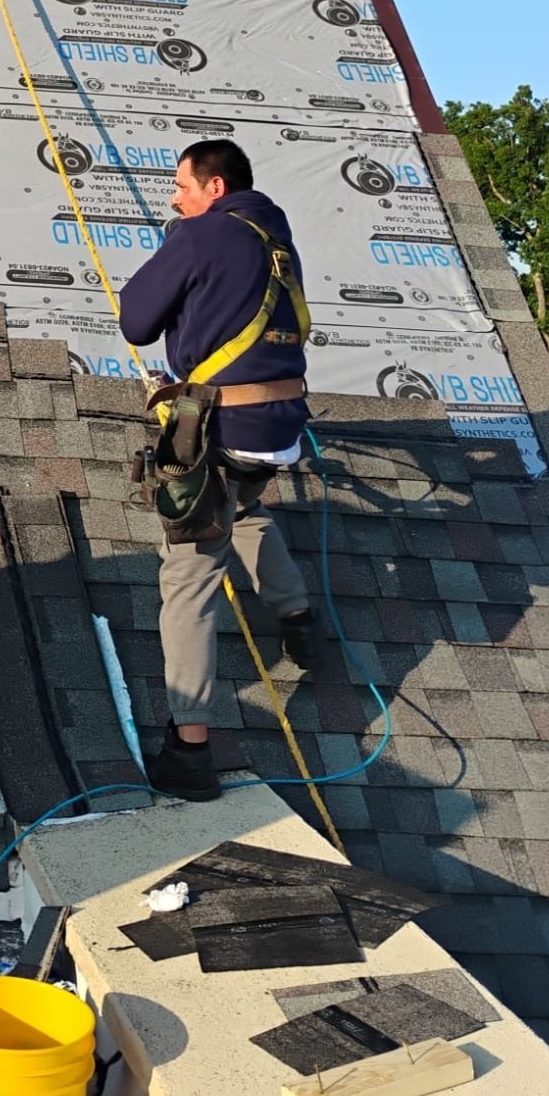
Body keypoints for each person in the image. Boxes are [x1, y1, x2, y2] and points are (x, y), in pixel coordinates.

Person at [119, 140, 321, 802]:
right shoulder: (275, 233)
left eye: (180, 185)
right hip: (279, 426)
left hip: (223, 427)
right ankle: (298, 620)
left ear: (212, 187)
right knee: (243, 507)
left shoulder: (201, 234)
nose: (172, 197)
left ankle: (189, 749)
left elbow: (137, 320)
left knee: (189, 576)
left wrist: (182, 243)